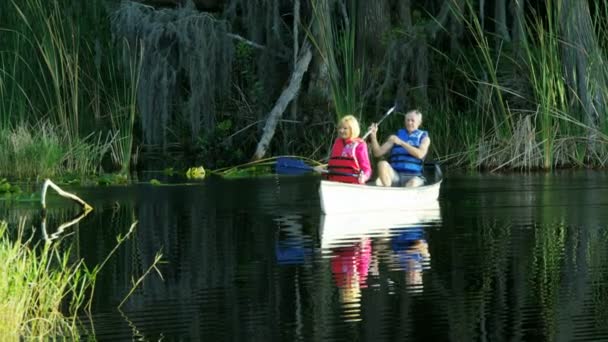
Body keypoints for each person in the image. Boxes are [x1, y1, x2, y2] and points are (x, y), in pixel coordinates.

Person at [368, 109, 430, 187]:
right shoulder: (396, 137)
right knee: (382, 164)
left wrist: (401, 142)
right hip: (396, 175)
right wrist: (373, 136)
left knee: (413, 183)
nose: (409, 123)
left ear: (419, 122)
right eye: (407, 120)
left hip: (414, 176)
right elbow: (377, 153)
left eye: (412, 120)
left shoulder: (424, 138)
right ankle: (388, 191)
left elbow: (420, 154)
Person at [315, 115, 372, 184]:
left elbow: (366, 169)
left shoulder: (360, 145)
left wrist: (364, 176)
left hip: (352, 184)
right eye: (340, 128)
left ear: (352, 129)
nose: (341, 131)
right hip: (334, 182)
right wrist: (322, 171)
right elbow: (333, 165)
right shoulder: (337, 142)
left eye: (345, 128)